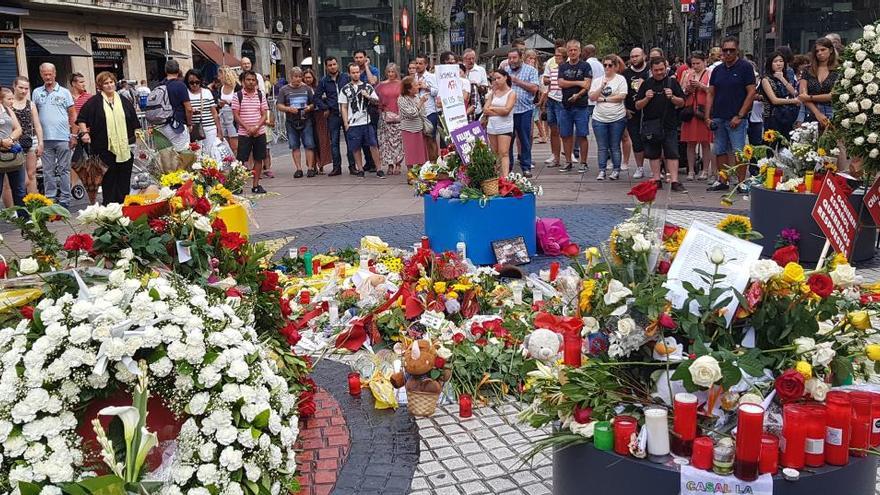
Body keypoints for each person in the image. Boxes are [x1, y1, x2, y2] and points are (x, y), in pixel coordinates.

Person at [75, 72, 140, 205]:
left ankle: (123, 206)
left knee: (123, 179)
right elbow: (81, 118)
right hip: (103, 148)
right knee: (109, 180)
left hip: (124, 148)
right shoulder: (95, 101)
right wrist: (84, 133)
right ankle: (109, 207)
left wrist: (139, 135)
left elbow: (134, 120)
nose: (109, 85)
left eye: (111, 82)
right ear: (100, 86)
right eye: (106, 83)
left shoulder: (123, 100)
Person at [705, 36, 757, 192]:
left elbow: (751, 92)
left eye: (731, 50)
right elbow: (711, 93)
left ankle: (741, 183)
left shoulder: (745, 67)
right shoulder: (717, 70)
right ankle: (723, 180)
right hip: (719, 116)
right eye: (725, 50)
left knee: (739, 151)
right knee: (719, 149)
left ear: (737, 51)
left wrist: (740, 115)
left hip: (737, 118)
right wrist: (707, 116)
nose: (728, 53)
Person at [635, 57, 687, 192]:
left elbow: (682, 102)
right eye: (656, 70)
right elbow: (638, 105)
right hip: (651, 124)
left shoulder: (672, 82)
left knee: (672, 153)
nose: (659, 72)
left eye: (662, 69)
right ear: (651, 70)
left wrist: (672, 97)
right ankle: (656, 179)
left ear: (666, 68)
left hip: (669, 123)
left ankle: (674, 181)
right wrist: (646, 98)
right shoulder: (646, 84)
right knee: (653, 153)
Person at [33, 62, 76, 209]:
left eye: (50, 74)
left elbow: (72, 114)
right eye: (45, 74)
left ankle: (65, 199)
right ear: (41, 75)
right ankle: (50, 199)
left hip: (63, 137)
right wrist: (38, 139)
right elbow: (35, 115)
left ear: (55, 74)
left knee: (64, 169)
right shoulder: (36, 92)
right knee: (47, 170)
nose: (48, 77)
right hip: (45, 139)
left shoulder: (64, 92)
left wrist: (73, 135)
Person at [339, 63, 383, 178]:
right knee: (356, 147)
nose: (355, 74)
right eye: (353, 72)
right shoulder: (345, 89)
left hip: (366, 121)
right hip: (353, 122)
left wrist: (367, 96)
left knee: (373, 145)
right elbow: (343, 106)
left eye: (357, 72)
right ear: (349, 74)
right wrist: (346, 123)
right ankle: (360, 169)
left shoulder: (367, 87)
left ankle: (379, 168)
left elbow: (377, 101)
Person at [588, 55, 628, 181]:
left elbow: (621, 96)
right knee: (602, 146)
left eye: (610, 65)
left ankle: (616, 169)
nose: (607, 68)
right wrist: (601, 87)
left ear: (615, 66)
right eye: (605, 65)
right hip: (599, 118)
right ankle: (602, 170)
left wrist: (605, 99)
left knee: (615, 145)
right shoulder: (597, 80)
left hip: (617, 117)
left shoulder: (620, 79)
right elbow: (593, 97)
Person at [557, 40, 592, 174]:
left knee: (582, 134)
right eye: (570, 50)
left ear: (579, 51)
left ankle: (583, 162)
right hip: (565, 106)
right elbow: (560, 83)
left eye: (575, 50)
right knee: (565, 134)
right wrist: (578, 83)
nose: (572, 52)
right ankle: (568, 161)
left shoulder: (585, 66)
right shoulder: (563, 66)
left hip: (581, 106)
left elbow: (587, 85)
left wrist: (577, 94)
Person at [232, 70, 269, 194]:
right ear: (243, 81)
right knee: (241, 159)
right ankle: (238, 185)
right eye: (248, 79)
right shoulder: (238, 95)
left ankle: (256, 185)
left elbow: (264, 114)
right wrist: (248, 128)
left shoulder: (260, 95)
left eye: (253, 80)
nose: (251, 82)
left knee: (259, 158)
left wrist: (257, 126)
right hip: (244, 133)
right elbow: (236, 115)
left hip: (259, 132)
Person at [504, 48, 539, 177]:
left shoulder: (531, 70)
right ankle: (508, 167)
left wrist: (516, 81)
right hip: (507, 111)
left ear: (521, 57)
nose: (512, 61)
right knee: (507, 140)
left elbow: (534, 88)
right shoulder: (505, 71)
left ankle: (526, 166)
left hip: (524, 110)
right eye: (510, 58)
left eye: (514, 58)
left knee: (524, 139)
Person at [680, 52, 714, 181]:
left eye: (698, 63)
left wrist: (701, 86)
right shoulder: (688, 74)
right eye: (693, 63)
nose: (695, 66)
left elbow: (712, 90)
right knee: (690, 142)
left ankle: (705, 170)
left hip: (703, 110)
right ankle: (691, 170)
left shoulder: (709, 73)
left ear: (704, 62)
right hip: (690, 110)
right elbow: (682, 90)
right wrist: (688, 88)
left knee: (705, 142)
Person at [277, 67, 317, 178]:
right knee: (294, 145)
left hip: (306, 119)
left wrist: (309, 107)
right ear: (291, 77)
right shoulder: (284, 90)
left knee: (309, 144)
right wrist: (288, 109)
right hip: (291, 120)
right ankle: (298, 168)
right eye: (296, 77)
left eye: (300, 77)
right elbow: (279, 105)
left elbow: (313, 103)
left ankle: (310, 168)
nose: (298, 79)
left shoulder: (307, 89)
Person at [11, 77, 43, 194]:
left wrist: (41, 143)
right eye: (21, 87)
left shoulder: (31, 104)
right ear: (14, 86)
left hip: (30, 141)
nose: (24, 91)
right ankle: (17, 205)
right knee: (18, 177)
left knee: (31, 174)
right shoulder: (8, 104)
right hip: (13, 142)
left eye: (26, 88)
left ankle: (33, 204)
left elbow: (37, 125)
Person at [799, 37, 838, 128]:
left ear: (831, 50)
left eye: (823, 50)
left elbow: (832, 95)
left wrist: (809, 97)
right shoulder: (808, 70)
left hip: (831, 111)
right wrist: (818, 113)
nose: (820, 53)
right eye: (817, 51)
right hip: (809, 111)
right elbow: (802, 96)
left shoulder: (838, 70)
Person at [483, 70, 516, 177]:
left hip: (505, 126)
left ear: (505, 77)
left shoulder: (511, 93)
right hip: (492, 126)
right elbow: (485, 109)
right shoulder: (493, 93)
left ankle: (505, 177)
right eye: (494, 79)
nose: (496, 81)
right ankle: (496, 175)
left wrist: (493, 108)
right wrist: (498, 111)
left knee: (504, 152)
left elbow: (507, 110)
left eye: (499, 78)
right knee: (494, 153)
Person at [623, 47, 650, 180]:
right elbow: (622, 93)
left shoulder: (650, 71)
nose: (634, 59)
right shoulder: (626, 74)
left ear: (644, 56)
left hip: (649, 112)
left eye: (637, 56)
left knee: (653, 139)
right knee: (636, 140)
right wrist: (625, 109)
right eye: (632, 56)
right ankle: (639, 167)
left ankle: (658, 168)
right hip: (632, 112)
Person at [154, 59, 192, 152]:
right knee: (182, 154)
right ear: (178, 71)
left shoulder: (160, 85)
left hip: (162, 126)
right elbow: (189, 109)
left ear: (165, 71)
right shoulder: (180, 85)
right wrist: (189, 124)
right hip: (177, 126)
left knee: (166, 157)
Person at [761, 51, 800, 139]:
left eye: (781, 61)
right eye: (775, 61)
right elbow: (774, 100)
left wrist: (782, 78)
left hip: (787, 115)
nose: (779, 64)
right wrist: (793, 101)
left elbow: (794, 92)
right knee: (771, 143)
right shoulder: (766, 79)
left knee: (786, 143)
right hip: (772, 116)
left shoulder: (785, 77)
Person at [0, 87, 26, 212]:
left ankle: (25, 221)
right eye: (8, 98)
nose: (11, 101)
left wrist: (9, 139)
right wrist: (1, 142)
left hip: (13, 154)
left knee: (20, 190)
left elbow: (18, 129)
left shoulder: (8, 110)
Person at [376, 63, 404, 176]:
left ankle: (398, 164)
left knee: (398, 141)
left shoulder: (401, 84)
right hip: (385, 115)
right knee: (386, 142)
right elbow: (376, 98)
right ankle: (390, 164)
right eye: (389, 72)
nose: (391, 74)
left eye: (393, 72)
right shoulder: (381, 85)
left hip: (399, 115)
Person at [185, 69, 222, 154]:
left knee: (211, 153)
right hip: (194, 129)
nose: (194, 85)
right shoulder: (185, 93)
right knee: (197, 154)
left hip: (209, 128)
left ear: (200, 81)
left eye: (197, 82)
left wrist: (219, 131)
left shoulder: (207, 92)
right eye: (191, 82)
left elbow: (214, 113)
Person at [397, 76, 428, 178]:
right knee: (410, 154)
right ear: (409, 89)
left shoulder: (417, 97)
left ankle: (421, 174)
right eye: (415, 85)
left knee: (421, 153)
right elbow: (412, 113)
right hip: (408, 129)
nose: (417, 87)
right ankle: (411, 175)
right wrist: (421, 103)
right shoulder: (402, 99)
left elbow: (423, 112)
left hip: (419, 127)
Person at [303, 69, 331, 173]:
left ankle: (321, 164)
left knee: (321, 140)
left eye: (309, 77)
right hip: (307, 117)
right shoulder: (302, 89)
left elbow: (321, 99)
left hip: (319, 116)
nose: (307, 80)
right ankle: (312, 165)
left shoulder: (317, 88)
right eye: (305, 77)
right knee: (310, 142)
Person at [413, 55, 439, 160]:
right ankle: (423, 163)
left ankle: (434, 162)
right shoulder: (413, 77)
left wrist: (426, 87)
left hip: (429, 111)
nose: (418, 65)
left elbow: (437, 91)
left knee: (430, 138)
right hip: (417, 110)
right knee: (419, 140)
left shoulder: (431, 77)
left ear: (426, 65)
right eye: (417, 63)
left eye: (420, 63)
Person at [543, 46, 565, 167]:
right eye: (555, 55)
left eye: (558, 56)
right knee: (553, 129)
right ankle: (556, 157)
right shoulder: (553, 68)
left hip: (562, 100)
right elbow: (546, 81)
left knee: (565, 130)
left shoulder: (567, 69)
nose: (556, 57)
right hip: (551, 99)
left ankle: (568, 156)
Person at [215, 66, 241, 155]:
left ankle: (239, 163)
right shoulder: (221, 88)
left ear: (225, 75)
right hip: (223, 115)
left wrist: (228, 102)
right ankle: (231, 161)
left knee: (235, 144)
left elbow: (241, 103)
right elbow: (219, 101)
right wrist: (219, 104)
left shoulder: (237, 87)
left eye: (220, 75)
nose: (218, 78)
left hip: (233, 116)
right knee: (226, 142)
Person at [463, 48, 489, 120]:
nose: (471, 61)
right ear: (464, 59)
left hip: (477, 109)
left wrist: (478, 86)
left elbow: (485, 90)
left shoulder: (481, 70)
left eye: (473, 58)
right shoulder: (460, 69)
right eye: (469, 59)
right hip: (461, 109)